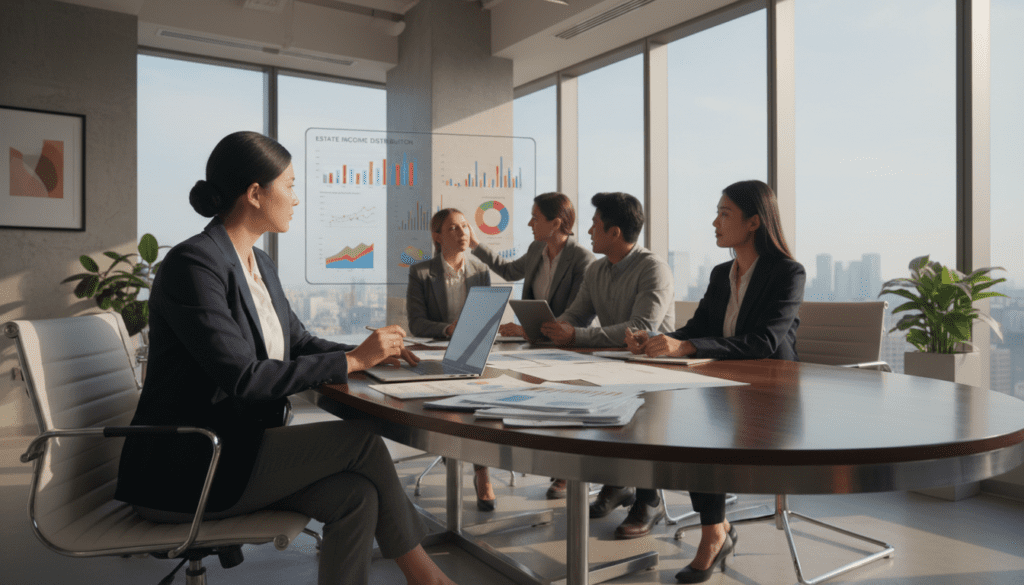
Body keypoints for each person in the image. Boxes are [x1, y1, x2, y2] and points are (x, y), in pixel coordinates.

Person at [115, 131, 457, 585]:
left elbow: (298, 341)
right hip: (190, 465)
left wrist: (367, 356)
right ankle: (427, 578)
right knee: (361, 441)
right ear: (255, 194)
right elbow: (243, 377)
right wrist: (351, 362)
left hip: (239, 449)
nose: (297, 199)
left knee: (355, 496)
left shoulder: (259, 264)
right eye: (291, 186)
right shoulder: (192, 265)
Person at [626, 179, 805, 583]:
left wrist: (686, 348)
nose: (715, 222)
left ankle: (713, 534)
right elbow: (699, 327)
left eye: (725, 214)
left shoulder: (787, 273)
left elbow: (765, 341)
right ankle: (714, 529)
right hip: (722, 386)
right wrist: (659, 343)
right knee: (677, 424)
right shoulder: (722, 272)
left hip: (769, 395)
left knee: (697, 434)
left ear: (755, 222)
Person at [406, 208, 497, 511]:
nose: (462, 234)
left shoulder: (480, 270)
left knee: (480, 405)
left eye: (465, 227)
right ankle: (461, 456)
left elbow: (484, 316)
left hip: (473, 351)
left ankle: (481, 470)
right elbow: (417, 323)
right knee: (452, 404)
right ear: (437, 236)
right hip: (438, 354)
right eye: (453, 228)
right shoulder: (420, 272)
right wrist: (448, 328)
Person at [540, 192, 675, 349]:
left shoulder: (654, 269)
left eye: (594, 224)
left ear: (614, 233)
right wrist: (548, 330)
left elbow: (641, 328)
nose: (590, 231)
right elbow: (576, 316)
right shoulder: (595, 270)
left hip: (652, 364)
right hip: (610, 359)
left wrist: (575, 335)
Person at [469, 192, 596, 341]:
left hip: (572, 345)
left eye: (535, 218)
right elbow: (509, 272)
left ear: (555, 224)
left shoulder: (582, 260)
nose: (530, 223)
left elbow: (575, 316)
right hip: (538, 343)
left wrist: (523, 329)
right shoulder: (536, 249)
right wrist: (475, 245)